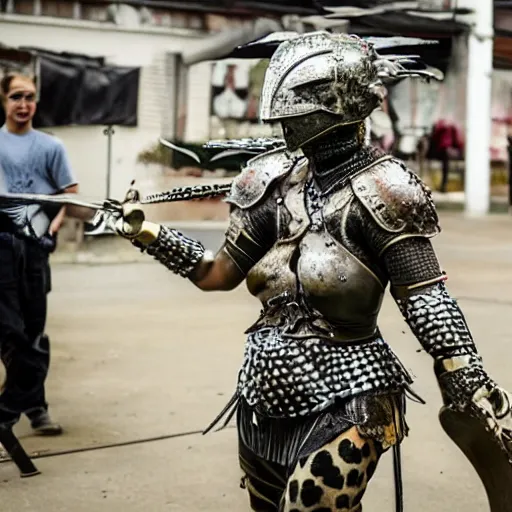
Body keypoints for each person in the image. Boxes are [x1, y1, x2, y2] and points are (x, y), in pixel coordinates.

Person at [115, 32, 512, 511]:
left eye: (292, 113)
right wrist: (148, 233)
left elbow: (426, 296)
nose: (282, 124)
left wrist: (462, 372)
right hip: (264, 392)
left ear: (331, 106)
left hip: (351, 390)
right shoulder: (272, 184)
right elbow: (216, 273)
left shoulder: (385, 189)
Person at [0, 73, 78, 436]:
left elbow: (70, 193)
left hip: (34, 250)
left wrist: (52, 227)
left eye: (29, 97)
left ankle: (33, 408)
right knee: (10, 331)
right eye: (16, 96)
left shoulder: (50, 146)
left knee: (33, 331)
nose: (23, 104)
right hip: (0, 247)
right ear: (3, 99)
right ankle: (11, 408)